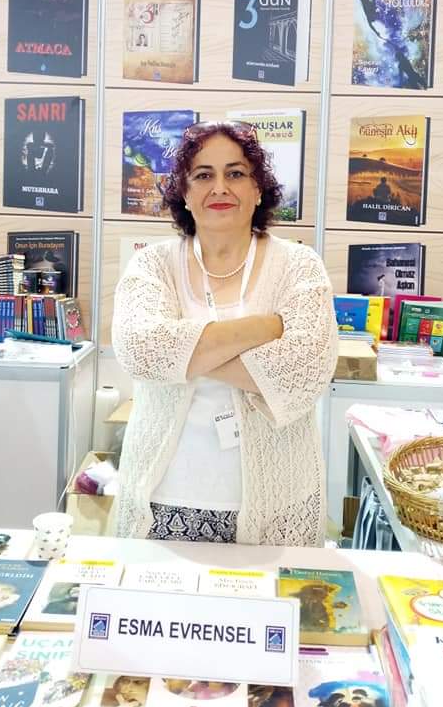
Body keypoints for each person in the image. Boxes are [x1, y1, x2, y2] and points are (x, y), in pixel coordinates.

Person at [111, 121, 338, 546]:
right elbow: (140, 350)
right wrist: (265, 327)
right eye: (203, 175)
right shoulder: (153, 264)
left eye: (235, 173)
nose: (220, 187)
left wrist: (184, 353)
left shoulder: (298, 266)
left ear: (258, 189)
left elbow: (305, 370)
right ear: (184, 192)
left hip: (279, 501)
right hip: (162, 497)